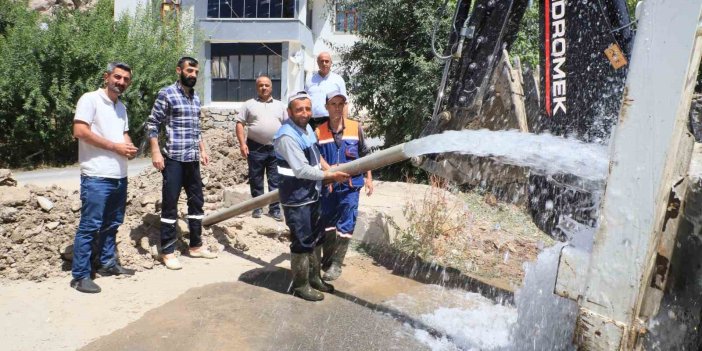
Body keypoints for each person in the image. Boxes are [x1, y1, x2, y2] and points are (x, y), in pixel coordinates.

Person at [273, 91, 349, 301]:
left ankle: (314, 278)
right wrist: (330, 175)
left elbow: (316, 156)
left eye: (307, 108)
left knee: (316, 237)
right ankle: (300, 285)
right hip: (296, 198)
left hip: (312, 194)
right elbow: (302, 170)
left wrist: (328, 168)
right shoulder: (287, 136)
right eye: (299, 109)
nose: (304, 113)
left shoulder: (306, 128)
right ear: (290, 112)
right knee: (302, 241)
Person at [70, 62, 138, 294]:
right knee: (90, 226)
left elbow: (123, 134)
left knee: (112, 224)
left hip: (119, 175)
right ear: (106, 76)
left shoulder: (121, 107)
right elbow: (79, 131)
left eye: (126, 79)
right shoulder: (90, 100)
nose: (121, 82)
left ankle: (107, 263)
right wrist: (115, 147)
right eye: (117, 77)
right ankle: (80, 275)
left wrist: (128, 146)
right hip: (96, 175)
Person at [147, 56, 216, 271]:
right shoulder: (167, 93)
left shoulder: (196, 98)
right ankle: (167, 252)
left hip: (192, 159)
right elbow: (152, 123)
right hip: (174, 159)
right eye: (189, 70)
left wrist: (203, 149)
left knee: (196, 203)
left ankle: (195, 246)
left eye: (196, 71)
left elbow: (196, 128)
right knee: (170, 204)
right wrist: (156, 151)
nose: (193, 75)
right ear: (179, 70)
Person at [315, 90, 374, 281]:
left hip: (350, 185)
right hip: (330, 185)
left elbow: (366, 155)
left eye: (341, 104)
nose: (338, 108)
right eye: (333, 104)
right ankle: (328, 257)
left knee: (347, 222)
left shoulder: (355, 128)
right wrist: (329, 170)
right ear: (326, 107)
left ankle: (337, 264)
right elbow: (317, 156)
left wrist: (369, 178)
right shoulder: (319, 131)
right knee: (328, 222)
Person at [235, 75, 287, 221]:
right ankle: (257, 208)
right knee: (256, 179)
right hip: (255, 147)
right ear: (256, 87)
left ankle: (275, 209)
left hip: (276, 148)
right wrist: (242, 144)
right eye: (261, 85)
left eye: (267, 85)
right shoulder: (248, 104)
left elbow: (288, 126)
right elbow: (240, 124)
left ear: (271, 87)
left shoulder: (280, 106)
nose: (264, 88)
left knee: (275, 180)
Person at [305, 52, 347, 130]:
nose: (324, 63)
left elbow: (345, 103)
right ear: (317, 63)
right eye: (321, 61)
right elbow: (306, 101)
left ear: (331, 63)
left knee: (329, 142)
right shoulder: (309, 80)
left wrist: (344, 123)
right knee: (313, 142)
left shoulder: (338, 80)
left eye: (327, 61)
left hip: (331, 120)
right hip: (311, 122)